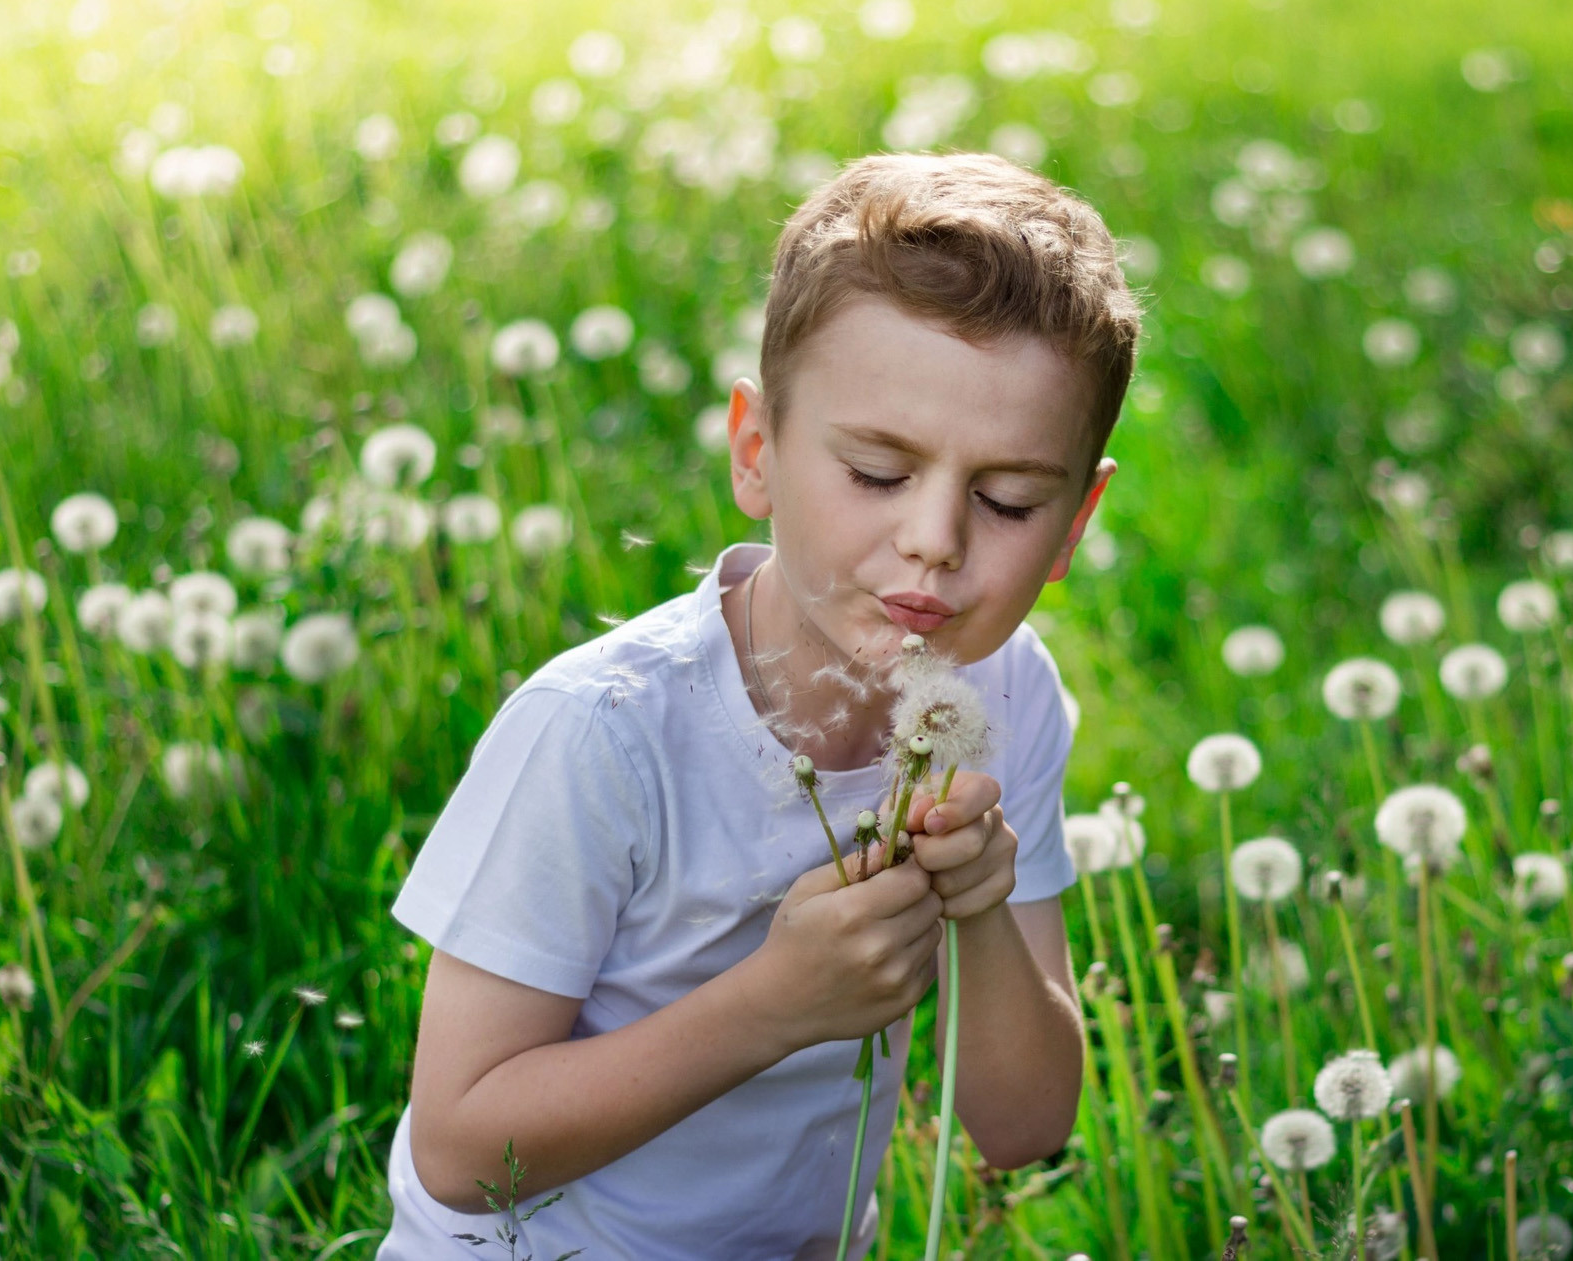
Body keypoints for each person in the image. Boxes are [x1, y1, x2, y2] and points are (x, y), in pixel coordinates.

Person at [376, 150, 1142, 1260]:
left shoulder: (1003, 692)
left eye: (1007, 498)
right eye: (877, 474)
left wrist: (979, 908)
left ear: (1075, 520)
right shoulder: (604, 732)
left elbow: (1024, 1128)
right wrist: (772, 1005)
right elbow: (459, 1148)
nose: (935, 536)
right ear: (755, 451)